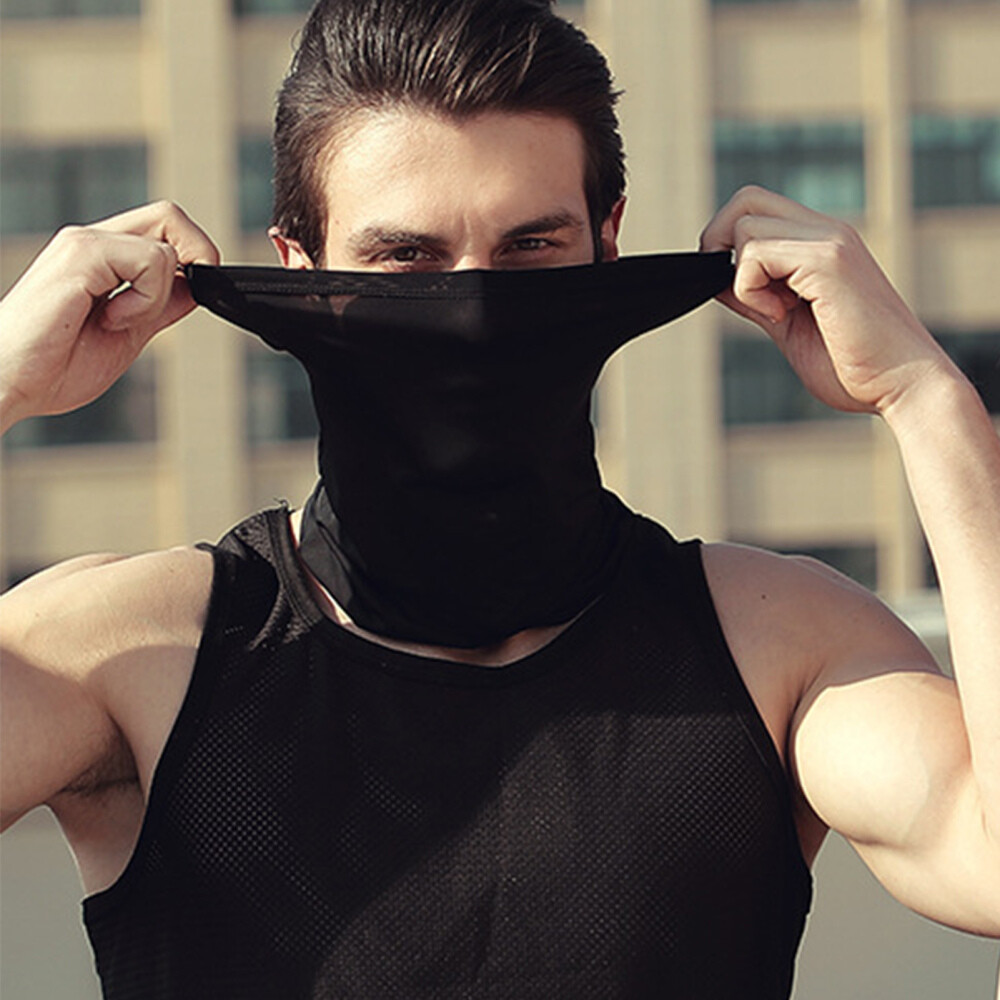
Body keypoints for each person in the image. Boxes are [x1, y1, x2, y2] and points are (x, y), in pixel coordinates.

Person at [1, 0, 998, 997]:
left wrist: (925, 396)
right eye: (407, 259)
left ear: (606, 242)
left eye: (530, 249)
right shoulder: (134, 653)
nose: (474, 307)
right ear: (300, 266)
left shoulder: (778, 644)